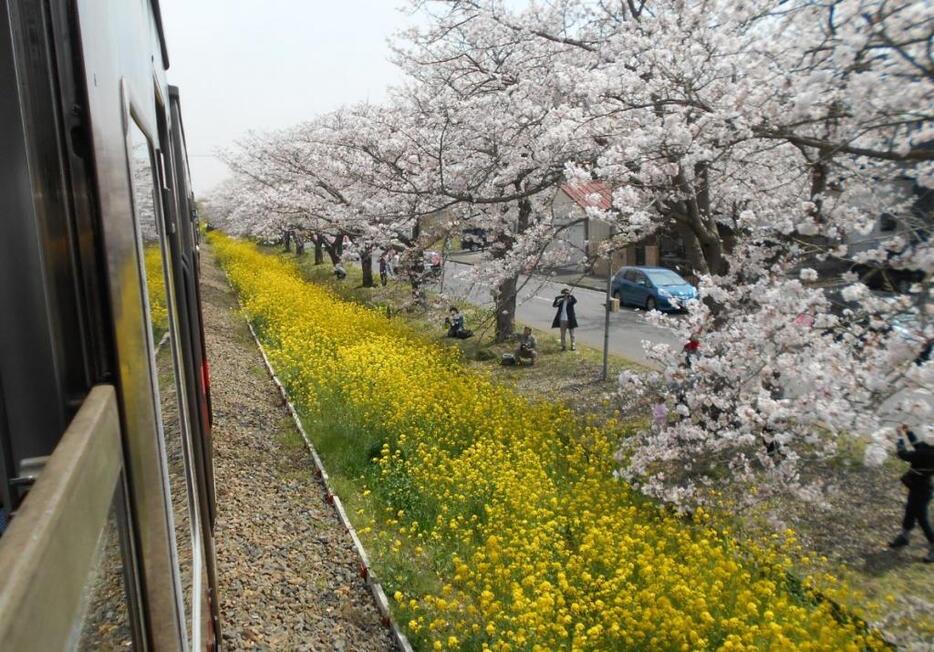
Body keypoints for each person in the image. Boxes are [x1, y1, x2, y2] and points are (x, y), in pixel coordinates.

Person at [889, 424, 934, 563]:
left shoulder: (926, 453)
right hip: (920, 486)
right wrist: (908, 432)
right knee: (910, 510)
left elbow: (903, 454)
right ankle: (904, 537)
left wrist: (899, 437)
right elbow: (917, 445)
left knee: (921, 517)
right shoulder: (927, 450)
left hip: (922, 489)